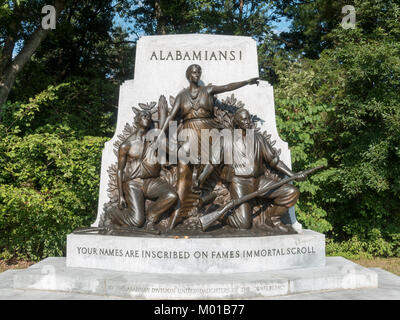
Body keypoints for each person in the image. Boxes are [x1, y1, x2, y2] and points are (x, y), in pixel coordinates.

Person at [157, 64, 259, 230]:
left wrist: (246, 81)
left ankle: (204, 205)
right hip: (190, 132)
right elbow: (171, 116)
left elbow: (227, 87)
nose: (197, 75)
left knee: (209, 168)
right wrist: (160, 134)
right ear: (188, 75)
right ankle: (183, 210)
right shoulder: (182, 96)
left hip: (209, 130)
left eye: (199, 72)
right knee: (188, 172)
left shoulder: (208, 90)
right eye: (194, 72)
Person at [194, 108, 305, 230]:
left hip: (259, 181)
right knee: (243, 224)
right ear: (237, 122)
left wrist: (293, 174)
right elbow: (212, 163)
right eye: (244, 119)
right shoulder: (226, 139)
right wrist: (200, 180)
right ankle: (216, 211)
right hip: (240, 184)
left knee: (291, 192)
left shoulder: (258, 138)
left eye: (249, 118)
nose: (248, 122)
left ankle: (272, 220)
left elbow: (274, 161)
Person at [115, 108, 178, 231]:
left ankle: (151, 219)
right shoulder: (126, 145)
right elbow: (119, 170)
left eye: (149, 116)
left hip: (151, 181)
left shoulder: (155, 138)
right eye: (144, 115)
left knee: (171, 195)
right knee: (137, 221)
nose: (147, 117)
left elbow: (172, 151)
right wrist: (120, 195)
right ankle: (112, 213)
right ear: (137, 120)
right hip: (134, 183)